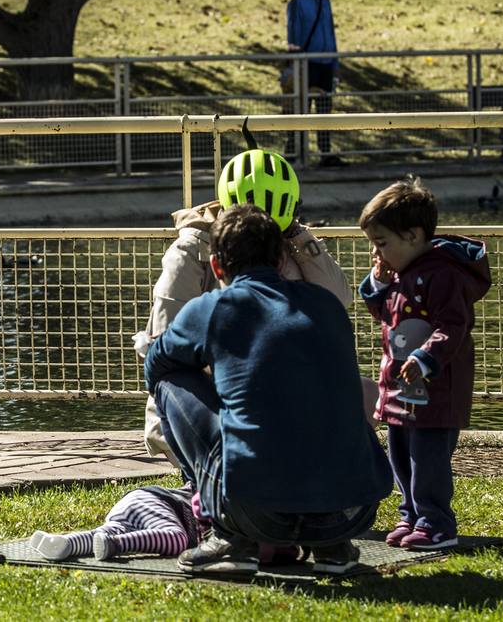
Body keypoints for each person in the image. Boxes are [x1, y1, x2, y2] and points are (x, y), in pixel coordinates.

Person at [145, 203, 393, 578]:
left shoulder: (214, 308)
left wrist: (216, 373)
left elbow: (156, 361)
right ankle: (333, 548)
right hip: (353, 511)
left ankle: (230, 538)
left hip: (255, 512)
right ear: (280, 260)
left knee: (169, 380)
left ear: (216, 266)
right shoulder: (326, 304)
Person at [136, 147, 366, 469]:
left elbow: (338, 299)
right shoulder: (190, 253)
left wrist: (300, 237)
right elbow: (164, 334)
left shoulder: (293, 246)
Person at [358, 177, 490, 551]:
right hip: (401, 386)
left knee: (428, 457)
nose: (377, 252)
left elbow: (454, 324)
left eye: (382, 243)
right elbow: (383, 314)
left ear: (414, 236)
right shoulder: (400, 272)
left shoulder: (444, 274)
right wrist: (378, 284)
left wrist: (425, 357)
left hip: (436, 388)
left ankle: (437, 522)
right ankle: (411, 513)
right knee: (400, 452)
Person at [30, 484, 200, 561]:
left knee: (102, 535)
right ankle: (116, 544)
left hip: (131, 503)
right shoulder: (204, 493)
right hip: (155, 502)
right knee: (177, 538)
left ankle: (64, 543)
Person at [286, 0, 341, 166]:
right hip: (307, 63)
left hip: (326, 63)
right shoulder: (298, 3)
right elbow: (293, 35)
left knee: (325, 110)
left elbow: (331, 33)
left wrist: (336, 64)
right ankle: (294, 151)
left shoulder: (325, 2)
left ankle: (325, 152)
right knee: (301, 109)